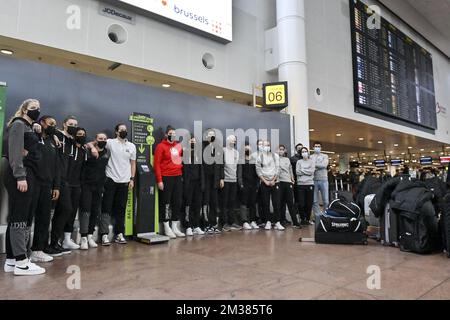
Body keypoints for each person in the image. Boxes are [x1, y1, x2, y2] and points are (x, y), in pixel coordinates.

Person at [2, 99, 46, 275]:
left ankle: (12, 260)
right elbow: (14, 153)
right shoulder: (19, 125)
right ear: (24, 109)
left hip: (28, 174)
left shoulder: (28, 127)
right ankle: (21, 262)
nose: (36, 110)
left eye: (38, 108)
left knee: (18, 217)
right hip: (20, 174)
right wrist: (20, 176)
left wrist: (36, 129)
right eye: (33, 108)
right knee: (20, 217)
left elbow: (28, 149)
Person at [29, 116, 61, 262]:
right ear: (42, 123)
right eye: (51, 123)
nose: (53, 126)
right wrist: (34, 126)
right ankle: (21, 253)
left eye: (55, 124)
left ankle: (37, 250)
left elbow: (56, 167)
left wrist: (56, 186)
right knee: (27, 218)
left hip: (47, 185)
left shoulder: (53, 141)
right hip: (32, 182)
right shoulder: (33, 135)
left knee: (44, 218)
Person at [99, 124, 136, 245]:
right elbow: (94, 143)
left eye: (125, 130)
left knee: (121, 209)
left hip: (125, 181)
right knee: (106, 207)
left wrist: (132, 179)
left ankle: (119, 234)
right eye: (121, 130)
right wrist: (93, 147)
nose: (124, 131)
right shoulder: (110, 142)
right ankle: (104, 235)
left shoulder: (131, 146)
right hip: (110, 179)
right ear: (116, 132)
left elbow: (133, 164)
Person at [49, 116, 80, 254]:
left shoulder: (72, 141)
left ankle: (55, 242)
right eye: (70, 124)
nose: (73, 126)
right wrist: (53, 135)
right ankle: (51, 244)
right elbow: (45, 128)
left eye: (75, 124)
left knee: (65, 209)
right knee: (61, 209)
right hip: (54, 178)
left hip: (65, 180)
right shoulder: (57, 134)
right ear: (64, 124)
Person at [79, 133, 110, 250]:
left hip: (99, 186)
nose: (102, 140)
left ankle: (90, 236)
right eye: (100, 138)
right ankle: (83, 237)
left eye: (104, 139)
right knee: (85, 210)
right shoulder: (88, 150)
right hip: (86, 185)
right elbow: (87, 144)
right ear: (95, 140)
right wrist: (91, 147)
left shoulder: (107, 152)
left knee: (95, 211)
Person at [154, 126, 185, 239]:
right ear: (166, 135)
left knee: (177, 202)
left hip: (177, 177)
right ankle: (166, 227)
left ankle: (175, 226)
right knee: (166, 203)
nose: (173, 135)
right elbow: (156, 164)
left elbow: (180, 160)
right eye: (170, 133)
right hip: (166, 177)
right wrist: (159, 180)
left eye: (174, 133)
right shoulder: (160, 147)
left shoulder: (178, 146)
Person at [62, 127, 87, 249]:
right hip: (65, 184)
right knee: (64, 211)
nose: (81, 136)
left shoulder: (84, 150)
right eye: (79, 134)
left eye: (83, 134)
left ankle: (67, 239)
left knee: (72, 212)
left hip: (77, 185)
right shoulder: (68, 146)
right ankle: (55, 239)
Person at [256, 140, 284, 231]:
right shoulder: (259, 157)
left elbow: (278, 168)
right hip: (265, 183)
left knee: (276, 203)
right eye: (265, 145)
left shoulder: (275, 156)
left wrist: (273, 180)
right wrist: (265, 181)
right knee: (265, 203)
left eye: (268, 145)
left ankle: (277, 222)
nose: (266, 147)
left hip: (275, 182)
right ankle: (268, 221)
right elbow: (258, 171)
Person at [202, 129, 224, 234]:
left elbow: (221, 164)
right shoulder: (202, 148)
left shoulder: (219, 148)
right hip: (206, 179)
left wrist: (221, 178)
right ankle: (206, 225)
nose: (211, 136)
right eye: (209, 134)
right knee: (206, 202)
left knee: (214, 202)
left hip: (215, 180)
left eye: (213, 135)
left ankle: (214, 224)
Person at [182, 135, 205, 236]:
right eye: (192, 141)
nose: (193, 143)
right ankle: (188, 226)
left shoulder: (198, 153)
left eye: (195, 141)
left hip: (198, 183)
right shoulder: (184, 153)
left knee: (197, 205)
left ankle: (196, 226)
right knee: (188, 205)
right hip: (188, 183)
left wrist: (202, 183)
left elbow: (201, 169)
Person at [221, 135, 242, 231]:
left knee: (232, 202)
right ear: (227, 140)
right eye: (232, 140)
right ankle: (225, 223)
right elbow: (221, 166)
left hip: (234, 180)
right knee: (224, 202)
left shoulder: (237, 153)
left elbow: (237, 167)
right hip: (225, 180)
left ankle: (232, 222)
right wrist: (221, 178)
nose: (233, 142)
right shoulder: (223, 151)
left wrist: (238, 179)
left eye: (235, 141)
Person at [277, 145, 300, 228]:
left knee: (290, 202)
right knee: (280, 203)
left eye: (282, 149)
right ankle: (281, 220)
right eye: (279, 149)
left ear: (284, 150)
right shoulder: (275, 159)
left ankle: (295, 222)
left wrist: (292, 179)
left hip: (288, 182)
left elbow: (290, 169)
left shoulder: (287, 159)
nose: (281, 151)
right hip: (279, 182)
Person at [239, 144, 260, 230]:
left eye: (249, 148)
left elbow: (257, 173)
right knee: (244, 202)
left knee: (253, 202)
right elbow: (239, 174)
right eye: (246, 148)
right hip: (244, 184)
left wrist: (257, 184)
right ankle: (244, 222)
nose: (248, 149)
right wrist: (241, 184)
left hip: (253, 185)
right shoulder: (241, 160)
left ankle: (253, 221)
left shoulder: (254, 161)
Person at [296, 147, 315, 225]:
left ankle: (308, 219)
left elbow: (312, 172)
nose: (304, 153)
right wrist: (307, 171)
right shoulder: (299, 162)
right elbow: (297, 172)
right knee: (301, 203)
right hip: (300, 184)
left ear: (308, 152)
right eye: (303, 152)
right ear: (301, 153)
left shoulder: (311, 161)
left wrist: (302, 170)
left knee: (309, 203)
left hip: (310, 184)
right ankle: (302, 218)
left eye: (305, 151)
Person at [311, 142, 329, 216]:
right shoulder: (310, 157)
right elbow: (310, 167)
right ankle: (317, 216)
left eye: (319, 146)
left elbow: (324, 165)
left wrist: (314, 165)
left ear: (321, 148)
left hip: (324, 179)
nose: (317, 147)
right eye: (316, 146)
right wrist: (319, 165)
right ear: (313, 148)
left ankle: (325, 215)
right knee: (315, 200)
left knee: (326, 200)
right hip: (314, 180)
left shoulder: (325, 155)